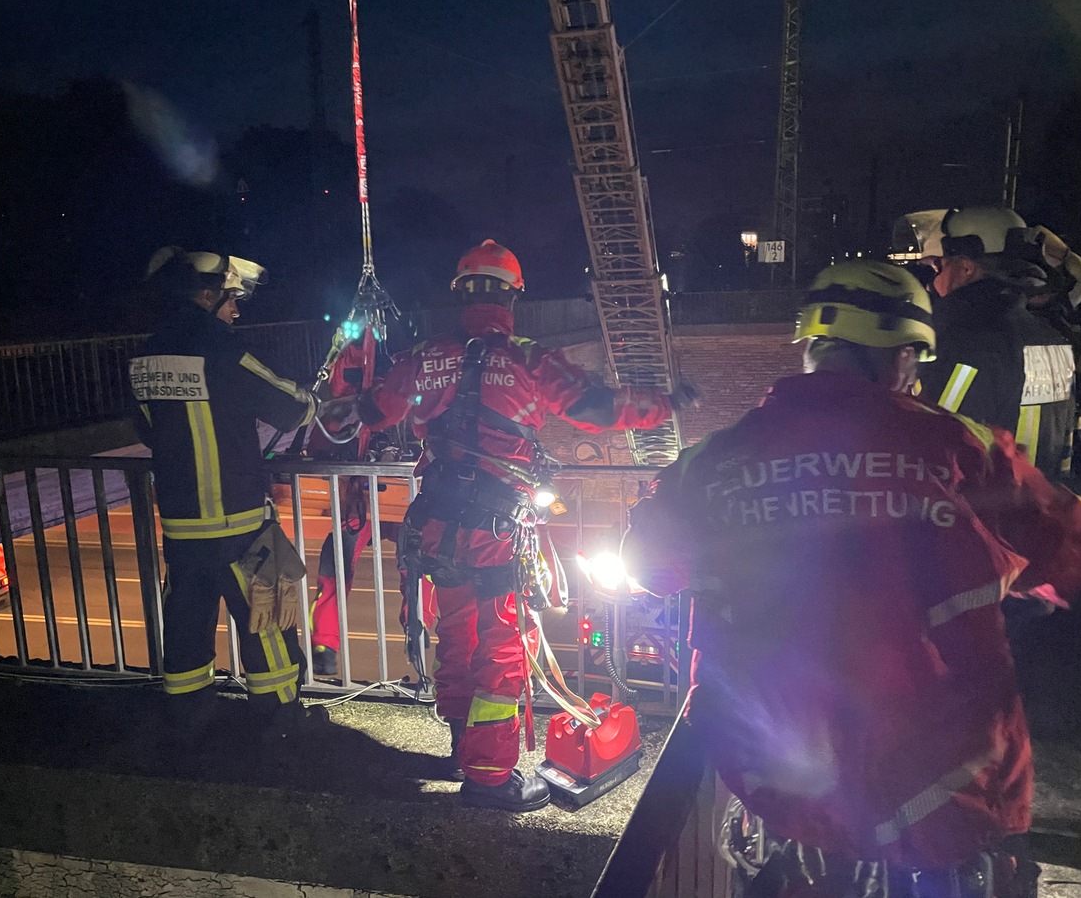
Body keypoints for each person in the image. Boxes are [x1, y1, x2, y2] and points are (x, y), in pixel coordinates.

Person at [621, 260, 1081, 897]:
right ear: (899, 355)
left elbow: (648, 566)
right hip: (947, 795)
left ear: (814, 349)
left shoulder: (713, 462)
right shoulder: (964, 447)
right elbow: (1073, 548)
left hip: (789, 796)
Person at [319, 239, 689, 810]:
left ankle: (461, 745)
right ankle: (490, 774)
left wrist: (348, 400)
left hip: (437, 524)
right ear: (513, 297)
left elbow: (375, 411)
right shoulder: (527, 357)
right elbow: (593, 409)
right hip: (493, 531)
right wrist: (664, 404)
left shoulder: (425, 354)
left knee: (456, 637)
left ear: (461, 294)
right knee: (502, 648)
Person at [129, 246, 326, 741]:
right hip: (238, 518)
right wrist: (313, 397)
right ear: (208, 295)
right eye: (230, 298)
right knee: (268, 619)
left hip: (180, 520)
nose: (235, 309)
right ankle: (281, 718)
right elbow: (287, 406)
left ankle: (189, 716)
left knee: (188, 620)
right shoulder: (221, 347)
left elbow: (149, 429)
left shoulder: (144, 354)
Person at [892, 207, 1078, 480]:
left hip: (981, 515)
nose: (933, 281)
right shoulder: (1050, 337)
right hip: (1040, 509)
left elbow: (935, 440)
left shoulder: (967, 340)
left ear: (966, 267)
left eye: (938, 266)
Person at [309, 474, 438, 677]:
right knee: (416, 567)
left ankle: (324, 648)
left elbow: (323, 448)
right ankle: (417, 624)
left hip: (365, 498)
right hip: (403, 499)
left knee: (335, 571)